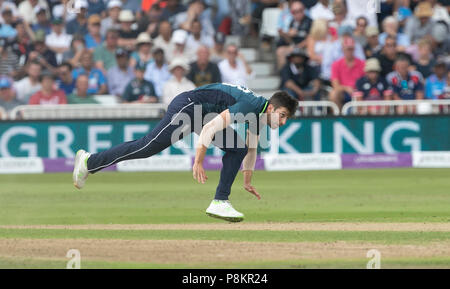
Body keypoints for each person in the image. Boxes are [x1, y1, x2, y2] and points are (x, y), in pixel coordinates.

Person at [72, 83, 299, 222]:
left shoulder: (259, 114)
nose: (283, 121)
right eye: (283, 115)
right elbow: (210, 129)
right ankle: (89, 161)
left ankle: (220, 200)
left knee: (237, 147)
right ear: (271, 108)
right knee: (146, 147)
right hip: (188, 107)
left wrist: (247, 180)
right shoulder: (250, 105)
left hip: (203, 114)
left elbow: (250, 148)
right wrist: (198, 161)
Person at [330, 37, 365, 109]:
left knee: (361, 94)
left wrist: (356, 90)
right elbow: (335, 84)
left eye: (351, 49)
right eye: (348, 49)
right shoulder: (336, 64)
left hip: (358, 91)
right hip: (343, 92)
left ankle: (360, 117)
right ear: (343, 49)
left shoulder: (362, 63)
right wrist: (346, 88)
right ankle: (339, 117)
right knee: (334, 94)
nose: (349, 51)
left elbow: (364, 81)